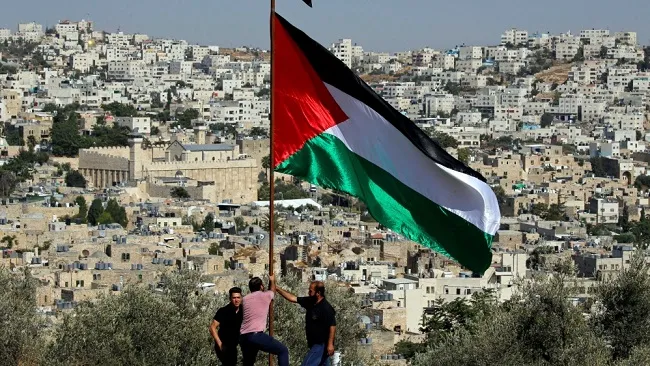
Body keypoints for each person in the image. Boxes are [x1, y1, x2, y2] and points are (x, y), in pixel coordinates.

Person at [276, 281, 336, 366]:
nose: (308, 292)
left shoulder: (326, 308)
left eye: (311, 291)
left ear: (318, 293)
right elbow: (293, 298)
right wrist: (277, 288)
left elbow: (332, 326)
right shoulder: (310, 302)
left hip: (320, 345)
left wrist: (330, 345)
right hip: (314, 344)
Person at [239, 275, 289, 366]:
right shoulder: (265, 295)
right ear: (261, 286)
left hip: (243, 337)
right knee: (283, 351)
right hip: (256, 335)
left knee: (248, 363)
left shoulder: (245, 299)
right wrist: (272, 280)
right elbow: (273, 291)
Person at [209, 287, 243, 366]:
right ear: (230, 299)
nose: (236, 300)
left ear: (241, 298)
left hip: (234, 346)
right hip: (224, 345)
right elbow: (212, 328)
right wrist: (220, 344)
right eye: (234, 298)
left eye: (238, 297)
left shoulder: (243, 310)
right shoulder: (223, 311)